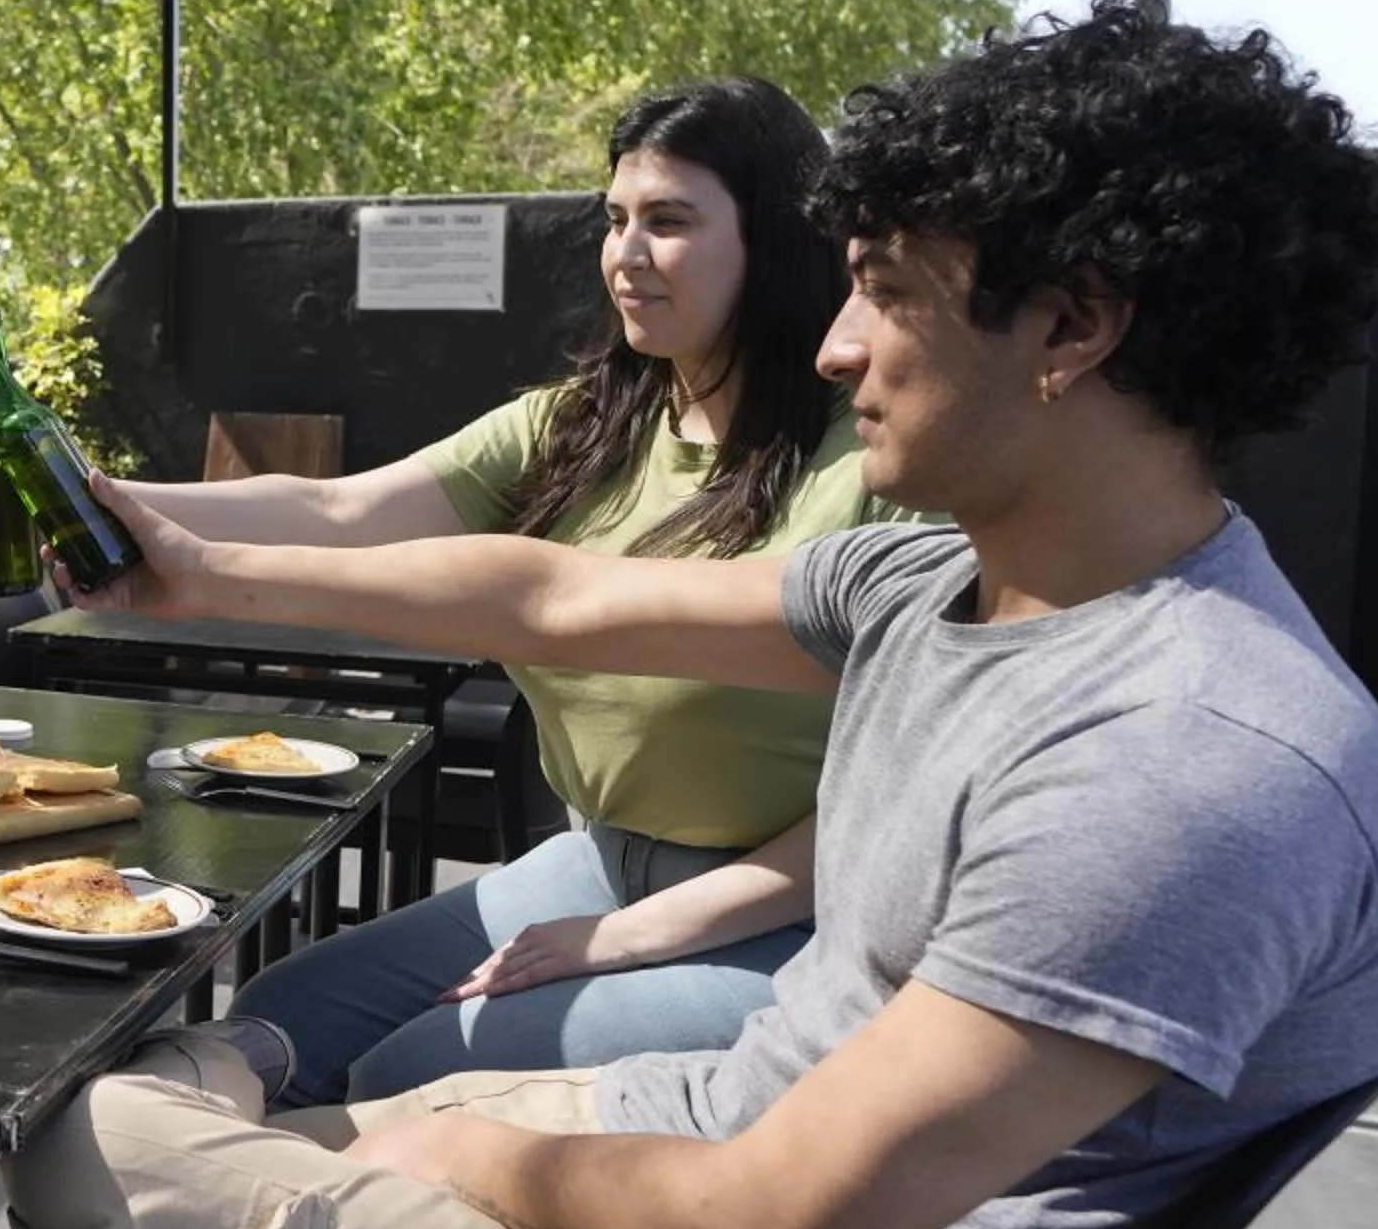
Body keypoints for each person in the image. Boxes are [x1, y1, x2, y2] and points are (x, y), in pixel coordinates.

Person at [1, 0, 1378, 1229]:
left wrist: (460, 1144)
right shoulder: (931, 585)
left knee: (99, 1160)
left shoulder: (1182, 763)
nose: (835, 341)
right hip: (717, 1156)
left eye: (883, 292)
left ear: (1073, 329)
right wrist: (196, 565)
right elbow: (546, 594)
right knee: (176, 1127)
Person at [121, 77, 906, 1101]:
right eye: (615, 218)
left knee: (411, 1073)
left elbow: (896, 804)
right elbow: (337, 510)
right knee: (279, 1014)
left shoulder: (877, 463)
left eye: (668, 221)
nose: (626, 253)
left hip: (801, 911)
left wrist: (631, 934)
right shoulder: (582, 422)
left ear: (777, 239)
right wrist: (99, 501)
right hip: (601, 859)